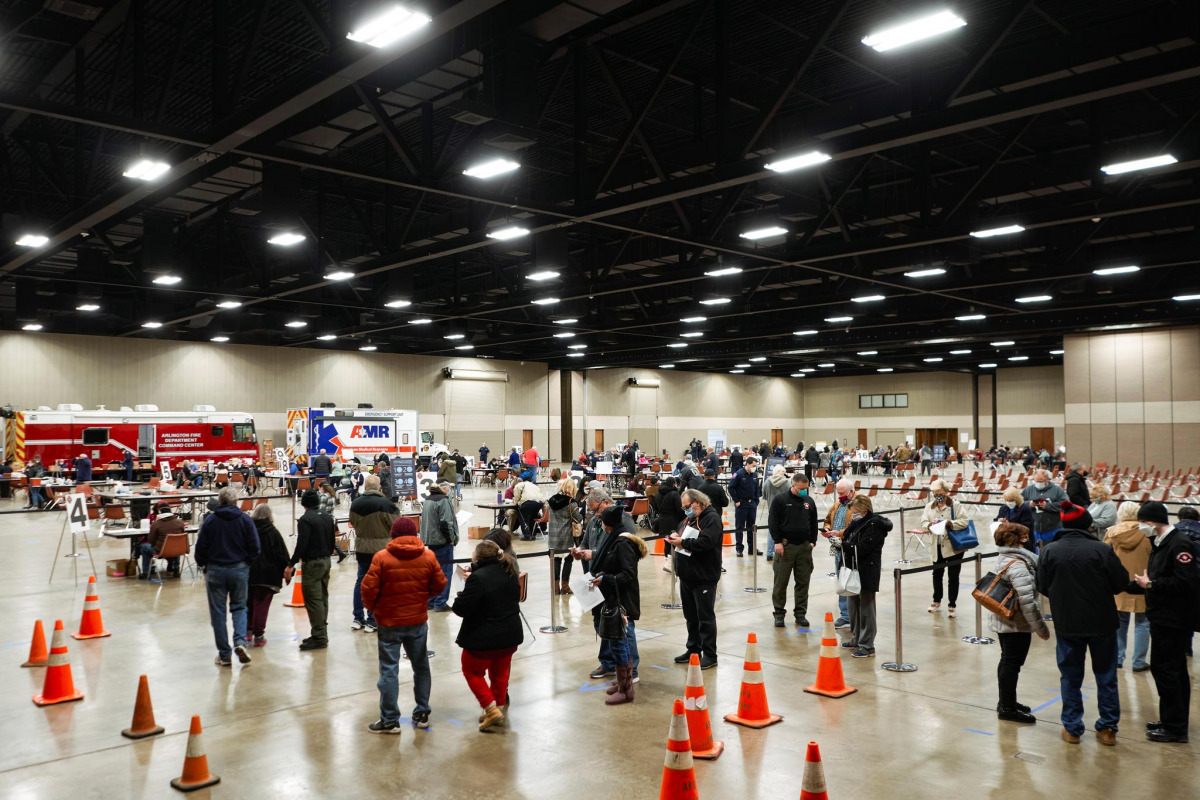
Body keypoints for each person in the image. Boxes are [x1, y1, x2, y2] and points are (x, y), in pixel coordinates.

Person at [1036, 500, 1128, 746]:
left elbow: (1042, 587)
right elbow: (1120, 583)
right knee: (1106, 676)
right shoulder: (1102, 550)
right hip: (1103, 623)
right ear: (1087, 525)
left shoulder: (1049, 551)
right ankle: (1108, 728)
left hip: (1068, 623)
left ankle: (1073, 728)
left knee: (1070, 677)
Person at [361, 517, 447, 734]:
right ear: (415, 533)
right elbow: (440, 585)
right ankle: (422, 713)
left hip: (389, 622)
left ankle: (390, 720)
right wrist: (423, 598)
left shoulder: (381, 558)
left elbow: (368, 589)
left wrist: (375, 610)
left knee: (389, 670)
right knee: (421, 667)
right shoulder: (428, 556)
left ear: (393, 534)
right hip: (417, 621)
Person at [1128, 501, 1199, 743]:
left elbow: (1186, 583)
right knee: (1172, 670)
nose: (1141, 527)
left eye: (1143, 522)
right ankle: (1171, 720)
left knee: (1167, 670)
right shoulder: (1160, 543)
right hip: (1162, 616)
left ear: (1153, 522)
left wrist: (1151, 585)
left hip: (1173, 619)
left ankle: (1175, 728)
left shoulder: (1179, 544)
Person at [452, 539, 524, 730]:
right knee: (500, 674)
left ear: (479, 557)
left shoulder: (478, 578)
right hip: (509, 635)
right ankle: (498, 707)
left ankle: (491, 709)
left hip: (484, 638)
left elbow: (461, 608)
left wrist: (466, 589)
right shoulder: (510, 572)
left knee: (471, 670)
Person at [573, 488, 641, 682]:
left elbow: (627, 570)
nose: (596, 517)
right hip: (600, 582)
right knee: (605, 624)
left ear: (604, 504)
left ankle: (630, 671)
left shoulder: (624, 534)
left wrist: (605, 576)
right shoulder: (597, 522)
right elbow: (592, 545)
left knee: (624, 628)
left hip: (618, 590)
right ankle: (611, 664)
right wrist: (585, 553)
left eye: (597, 513)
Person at [986, 521, 1049, 723]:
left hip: (1005, 620)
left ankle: (1006, 701)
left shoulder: (1007, 557)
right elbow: (1027, 602)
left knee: (1007, 661)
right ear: (1016, 540)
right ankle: (1007, 708)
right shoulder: (1019, 565)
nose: (1027, 539)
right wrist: (1040, 627)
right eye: (1024, 536)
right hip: (1015, 623)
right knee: (1012, 664)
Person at [194, 486, 260, 667]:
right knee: (239, 608)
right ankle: (240, 642)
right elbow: (255, 547)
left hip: (215, 570)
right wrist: (247, 562)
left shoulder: (210, 520)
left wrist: (203, 564)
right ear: (235, 501)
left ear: (220, 501)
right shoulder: (245, 520)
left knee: (218, 613)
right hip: (239, 569)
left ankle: (224, 654)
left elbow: (200, 548)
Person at [589, 505, 647, 705]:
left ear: (608, 523)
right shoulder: (615, 539)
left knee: (621, 640)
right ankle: (623, 681)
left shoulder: (623, 543)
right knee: (615, 640)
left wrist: (606, 579)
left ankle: (626, 689)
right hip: (613, 598)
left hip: (622, 601)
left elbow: (629, 575)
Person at [666, 488, 722, 669]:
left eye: (687, 506)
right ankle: (693, 649)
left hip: (704, 576)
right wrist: (676, 535)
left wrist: (683, 542)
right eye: (683, 508)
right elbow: (682, 531)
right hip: (687, 575)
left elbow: (706, 542)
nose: (686, 510)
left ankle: (710, 655)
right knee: (691, 616)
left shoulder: (711, 518)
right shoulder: (690, 518)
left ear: (698, 502)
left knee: (705, 617)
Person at [840, 495, 893, 658]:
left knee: (866, 609)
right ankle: (856, 638)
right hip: (853, 570)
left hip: (867, 571)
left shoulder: (874, 526)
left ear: (864, 510)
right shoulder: (858, 523)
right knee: (853, 607)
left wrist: (842, 545)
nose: (853, 515)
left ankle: (868, 645)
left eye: (855, 512)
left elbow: (862, 549)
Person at [1104, 501, 1152, 671]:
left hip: (1119, 583)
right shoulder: (1148, 532)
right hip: (1143, 582)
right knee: (1143, 623)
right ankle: (1139, 662)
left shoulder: (1111, 532)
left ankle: (1117, 658)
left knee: (1120, 623)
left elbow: (1105, 558)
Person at [286, 490, 337, 650]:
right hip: (326, 561)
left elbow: (302, 544)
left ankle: (320, 637)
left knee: (313, 600)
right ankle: (319, 633)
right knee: (322, 598)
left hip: (313, 563)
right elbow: (332, 541)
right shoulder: (328, 517)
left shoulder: (305, 520)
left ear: (303, 504)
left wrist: (291, 564)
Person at [349, 475, 399, 632]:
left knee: (361, 582)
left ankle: (358, 618)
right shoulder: (386, 504)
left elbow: (353, 522)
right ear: (379, 488)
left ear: (365, 487)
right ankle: (372, 619)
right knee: (378, 584)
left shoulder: (355, 504)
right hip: (382, 550)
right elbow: (396, 526)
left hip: (362, 549)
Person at [768, 472, 818, 628]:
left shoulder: (809, 501)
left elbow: (814, 522)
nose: (804, 491)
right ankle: (779, 614)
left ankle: (800, 614)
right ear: (793, 485)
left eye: (806, 488)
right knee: (781, 582)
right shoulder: (780, 500)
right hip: (785, 547)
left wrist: (812, 542)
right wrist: (777, 542)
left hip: (804, 547)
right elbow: (773, 522)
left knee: (803, 582)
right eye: (801, 488)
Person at [921, 479, 971, 618]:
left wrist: (949, 523)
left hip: (953, 547)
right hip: (936, 546)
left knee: (953, 577)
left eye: (940, 493)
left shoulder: (956, 505)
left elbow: (964, 521)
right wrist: (929, 524)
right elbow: (923, 521)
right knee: (937, 575)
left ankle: (952, 605)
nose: (938, 496)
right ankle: (936, 601)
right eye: (935, 493)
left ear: (947, 492)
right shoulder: (929, 506)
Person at [248, 503, 290, 647]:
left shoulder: (248, 530)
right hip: (268, 575)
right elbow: (281, 554)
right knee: (261, 604)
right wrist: (288, 570)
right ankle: (259, 636)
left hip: (248, 573)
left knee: (248, 602)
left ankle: (247, 633)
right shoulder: (273, 532)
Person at [821, 479, 856, 628]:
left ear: (851, 492)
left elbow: (857, 527)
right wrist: (827, 529)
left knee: (851, 580)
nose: (839, 496)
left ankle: (852, 615)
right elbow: (828, 519)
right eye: (838, 493)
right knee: (841, 581)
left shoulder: (859, 505)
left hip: (851, 548)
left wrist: (840, 533)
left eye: (842, 493)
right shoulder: (837, 504)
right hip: (838, 548)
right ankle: (845, 615)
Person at [420, 479, 459, 611]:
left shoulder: (428, 499)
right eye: (448, 487)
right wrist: (451, 539)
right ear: (444, 487)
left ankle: (431, 600)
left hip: (431, 540)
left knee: (433, 572)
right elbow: (446, 522)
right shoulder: (443, 500)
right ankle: (440, 602)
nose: (449, 489)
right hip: (442, 541)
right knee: (445, 572)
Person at [548, 476, 580, 594]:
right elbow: (579, 518)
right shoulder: (571, 502)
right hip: (566, 535)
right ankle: (565, 586)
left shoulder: (551, 500)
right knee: (568, 560)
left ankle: (555, 588)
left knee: (555, 560)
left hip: (552, 536)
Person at [1022, 469, 1068, 545]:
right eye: (1036, 481)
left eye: (1041, 481)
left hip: (1054, 528)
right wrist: (1029, 504)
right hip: (1035, 528)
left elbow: (1066, 504)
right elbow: (1020, 502)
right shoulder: (1029, 489)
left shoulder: (1057, 490)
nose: (1038, 483)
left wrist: (1048, 506)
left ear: (1047, 479)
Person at [140, 502, 184, 579]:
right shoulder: (180, 523)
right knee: (176, 545)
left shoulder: (156, 524)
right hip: (177, 550)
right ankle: (176, 569)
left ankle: (146, 573)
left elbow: (151, 540)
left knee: (144, 547)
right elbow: (182, 536)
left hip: (160, 551)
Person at [728, 455, 761, 557]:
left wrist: (756, 501)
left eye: (755, 466)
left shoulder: (754, 475)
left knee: (751, 527)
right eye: (753, 465)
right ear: (747, 464)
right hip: (742, 504)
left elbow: (757, 489)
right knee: (740, 527)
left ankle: (752, 548)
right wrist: (736, 500)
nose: (754, 467)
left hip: (752, 505)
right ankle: (739, 549)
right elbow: (731, 487)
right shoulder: (738, 474)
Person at [654, 476, 684, 571]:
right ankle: (672, 564)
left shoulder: (658, 494)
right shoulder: (674, 494)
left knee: (666, 541)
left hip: (662, 520)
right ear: (674, 483)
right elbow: (679, 509)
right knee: (674, 542)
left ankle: (667, 561)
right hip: (673, 520)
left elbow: (655, 508)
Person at [761, 465, 790, 562]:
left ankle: (769, 553)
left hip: (772, 510)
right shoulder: (787, 482)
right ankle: (782, 552)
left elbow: (764, 495)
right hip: (785, 511)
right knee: (784, 531)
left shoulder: (767, 481)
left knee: (771, 531)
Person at [994, 487, 1036, 552]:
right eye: (1007, 500)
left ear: (1016, 499)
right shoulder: (1003, 508)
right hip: (1006, 542)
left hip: (1021, 543)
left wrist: (1009, 526)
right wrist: (999, 521)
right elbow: (997, 519)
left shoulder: (1025, 509)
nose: (1009, 503)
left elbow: (1026, 527)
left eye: (1011, 500)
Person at [318, 482, 349, 564]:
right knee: (329, 537)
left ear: (322, 488)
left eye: (319, 488)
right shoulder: (332, 495)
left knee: (325, 538)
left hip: (324, 519)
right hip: (331, 518)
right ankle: (340, 552)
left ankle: (334, 553)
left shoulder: (324, 496)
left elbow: (321, 510)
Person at [512, 472, 546, 541]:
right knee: (533, 518)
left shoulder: (522, 484)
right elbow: (542, 497)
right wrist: (544, 512)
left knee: (523, 518)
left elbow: (517, 489)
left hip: (528, 502)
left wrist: (516, 501)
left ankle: (527, 536)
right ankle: (532, 534)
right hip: (539, 503)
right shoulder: (535, 486)